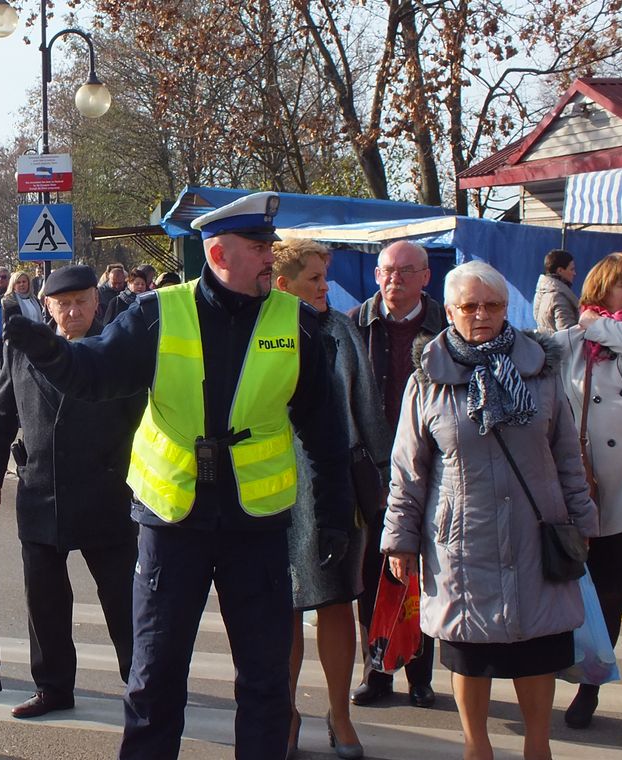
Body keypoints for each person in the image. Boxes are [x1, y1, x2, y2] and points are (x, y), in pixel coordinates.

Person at [4, 192, 352, 760]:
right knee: (154, 679)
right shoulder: (159, 313)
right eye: (260, 247)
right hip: (172, 524)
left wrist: (336, 516)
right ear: (218, 253)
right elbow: (95, 373)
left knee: (265, 683)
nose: (272, 256)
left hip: (257, 527)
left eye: (270, 245)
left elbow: (326, 433)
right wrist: (53, 355)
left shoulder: (296, 325)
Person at [383, 260, 598, 760]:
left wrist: (583, 523)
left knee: (536, 651)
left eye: (493, 305)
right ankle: (476, 748)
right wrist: (399, 540)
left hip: (535, 533)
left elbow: (567, 454)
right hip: (463, 542)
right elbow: (408, 469)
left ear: (507, 308)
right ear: (451, 311)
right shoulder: (430, 378)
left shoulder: (540, 370)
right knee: (469, 654)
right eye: (469, 306)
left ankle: (537, 748)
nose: (481, 315)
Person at [0, 265, 145, 719]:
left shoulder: (119, 350)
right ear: (47, 306)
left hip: (106, 492)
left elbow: (147, 419)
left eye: (82, 302)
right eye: (63, 304)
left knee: (123, 598)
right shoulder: (23, 349)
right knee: (44, 601)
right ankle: (52, 687)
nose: (73, 312)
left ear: (97, 302)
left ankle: (141, 682)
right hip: (41, 491)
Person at [273, 239, 388, 759]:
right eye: (314, 278)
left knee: (339, 602)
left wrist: (384, 488)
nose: (325, 287)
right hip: (272, 494)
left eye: (324, 277)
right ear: (282, 284)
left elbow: (367, 411)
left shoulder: (340, 331)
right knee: (281, 612)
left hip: (335, 494)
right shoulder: (260, 332)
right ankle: (286, 713)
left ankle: (340, 715)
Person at [348, 240, 445, 708]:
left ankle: (420, 674)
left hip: (430, 473)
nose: (394, 280)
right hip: (369, 474)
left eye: (406, 272)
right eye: (387, 271)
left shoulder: (447, 327)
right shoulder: (354, 326)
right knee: (371, 578)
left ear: (426, 277)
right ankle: (377, 669)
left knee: (423, 575)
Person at [551, 251, 622, 729]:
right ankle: (589, 688)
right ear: (601, 288)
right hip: (599, 490)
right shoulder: (570, 346)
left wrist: (590, 323)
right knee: (605, 601)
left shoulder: (618, 334)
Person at [533, 248, 579, 334]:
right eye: (571, 269)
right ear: (560, 271)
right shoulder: (558, 298)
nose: (574, 273)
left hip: (546, 344)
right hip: (558, 346)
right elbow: (568, 336)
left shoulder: (541, 291)